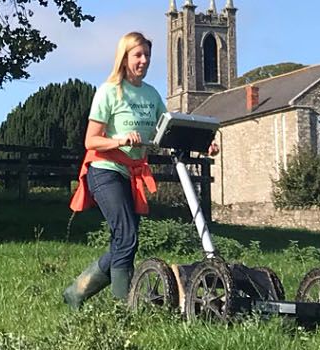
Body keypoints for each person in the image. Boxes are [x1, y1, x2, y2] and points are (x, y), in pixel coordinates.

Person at [62, 31, 217, 309]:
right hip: (105, 168)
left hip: (132, 172)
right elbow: (90, 140)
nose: (144, 60)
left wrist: (204, 144)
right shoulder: (108, 91)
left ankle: (77, 292)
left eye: (147, 55)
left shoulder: (151, 94)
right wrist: (119, 139)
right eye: (138, 55)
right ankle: (123, 307)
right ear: (124, 58)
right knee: (127, 237)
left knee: (124, 240)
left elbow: (169, 130)